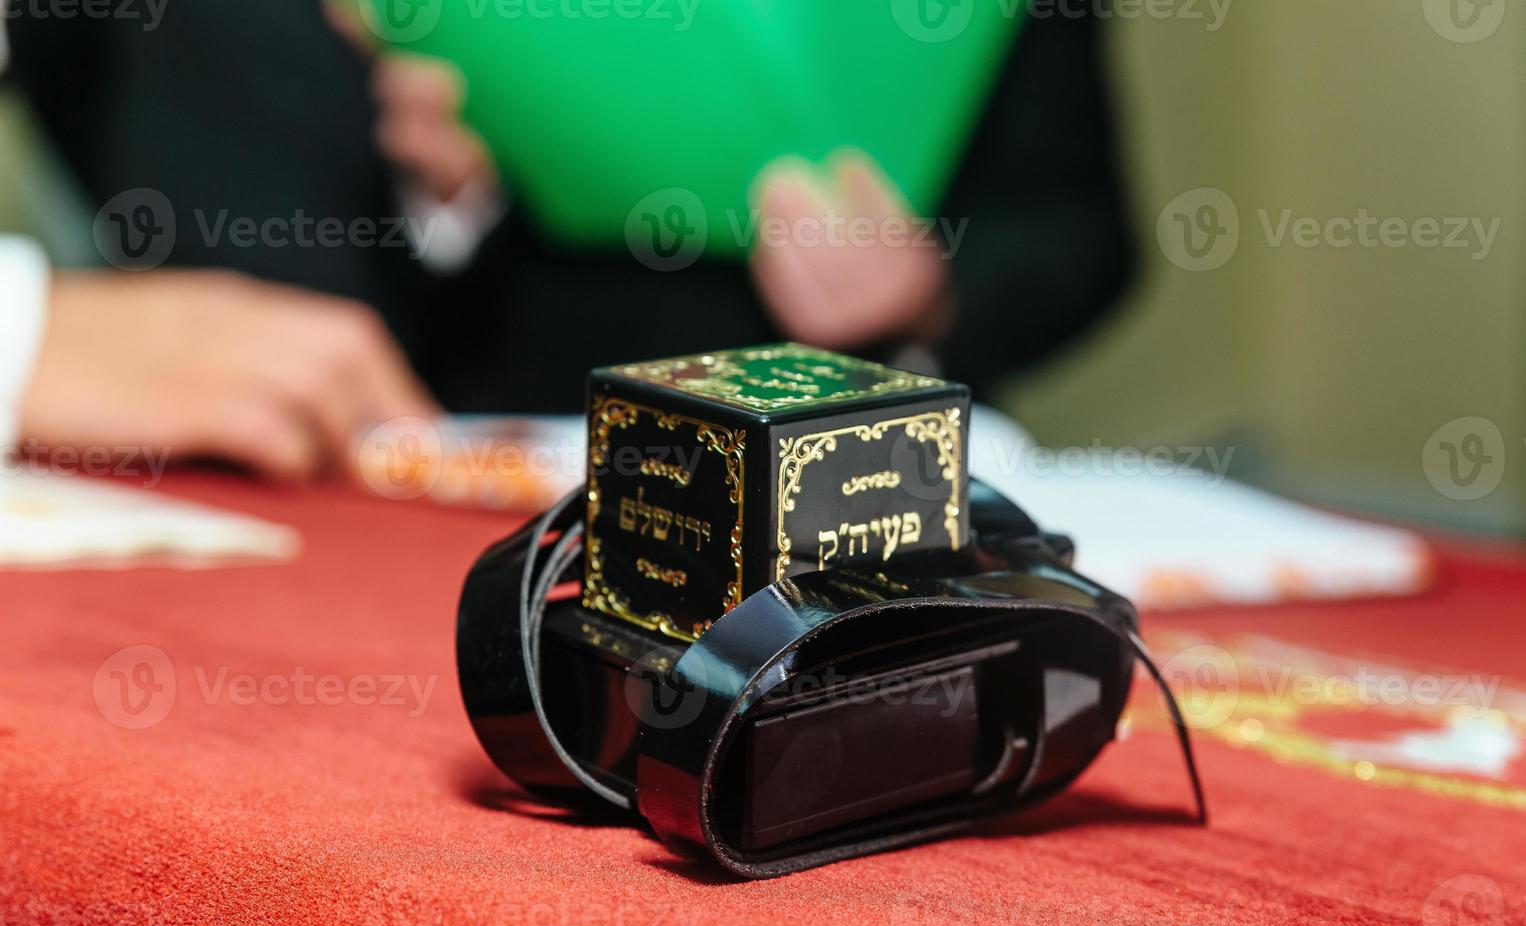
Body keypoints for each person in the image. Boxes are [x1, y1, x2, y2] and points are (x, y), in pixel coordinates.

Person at [1, 1, 1133, 475]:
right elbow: (366, 282)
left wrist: (926, 292)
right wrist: (443, 195)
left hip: (868, 447)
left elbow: (1084, 226)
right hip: (537, 445)